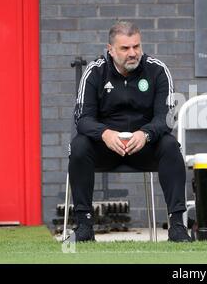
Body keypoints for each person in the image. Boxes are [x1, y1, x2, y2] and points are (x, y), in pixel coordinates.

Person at [68, 21, 191, 242]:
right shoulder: (95, 72)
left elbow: (167, 117)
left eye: (136, 46)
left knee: (171, 145)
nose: (133, 53)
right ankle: (84, 225)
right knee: (79, 146)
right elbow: (82, 118)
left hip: (144, 147)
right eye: (125, 48)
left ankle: (178, 226)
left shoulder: (157, 70)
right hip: (105, 148)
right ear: (110, 49)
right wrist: (105, 133)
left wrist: (145, 134)